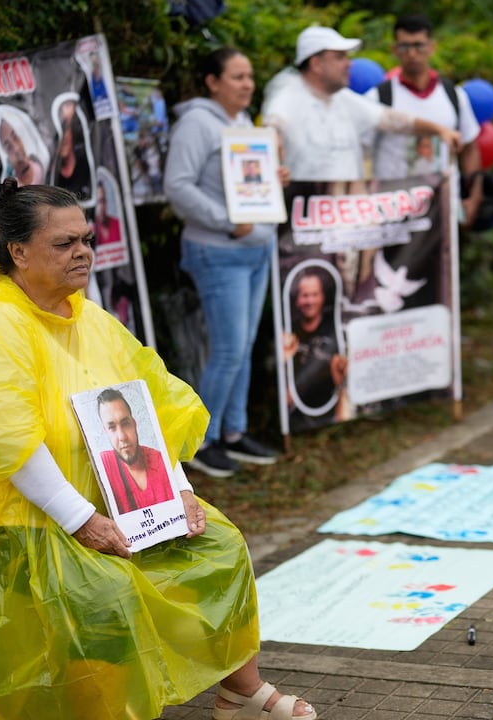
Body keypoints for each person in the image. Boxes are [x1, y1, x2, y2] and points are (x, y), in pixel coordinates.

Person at [0, 179, 317, 720]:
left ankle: (241, 691)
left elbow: (145, 406)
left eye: (86, 240)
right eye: (64, 243)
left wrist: (180, 491)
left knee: (218, 548)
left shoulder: (87, 315)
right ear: (18, 251)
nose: (83, 253)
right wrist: (81, 520)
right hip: (26, 520)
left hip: (117, 499)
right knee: (104, 598)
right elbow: (6, 439)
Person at [166, 47, 284, 477]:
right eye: (236, 76)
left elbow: (240, 182)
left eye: (249, 76)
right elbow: (177, 185)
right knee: (230, 348)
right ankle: (202, 441)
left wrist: (272, 178)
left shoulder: (241, 124)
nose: (247, 84)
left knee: (244, 346)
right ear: (212, 82)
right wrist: (226, 223)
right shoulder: (198, 123)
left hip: (255, 250)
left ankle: (234, 432)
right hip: (219, 251)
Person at [262, 24, 463, 184]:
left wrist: (438, 130)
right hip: (304, 222)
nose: (349, 64)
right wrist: (273, 154)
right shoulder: (286, 99)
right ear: (316, 64)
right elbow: (270, 133)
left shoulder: (344, 99)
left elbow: (392, 119)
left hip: (345, 216)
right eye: (340, 57)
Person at [366, 13, 483, 223]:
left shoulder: (453, 95)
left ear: (431, 47)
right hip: (393, 211)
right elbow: (362, 151)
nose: (412, 54)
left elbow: (470, 146)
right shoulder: (379, 97)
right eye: (404, 47)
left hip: (443, 210)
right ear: (394, 50)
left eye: (419, 46)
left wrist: (474, 194)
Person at [281, 268, 348, 421]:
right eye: (305, 295)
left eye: (315, 294)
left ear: (323, 297)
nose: (310, 301)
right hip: (295, 416)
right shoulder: (287, 332)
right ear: (297, 300)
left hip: (331, 413)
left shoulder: (336, 329)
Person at [96, 387, 175, 513]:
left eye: (125, 423)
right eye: (112, 428)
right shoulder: (102, 465)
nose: (122, 437)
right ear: (106, 432)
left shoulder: (159, 460)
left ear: (134, 424)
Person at [49, 100, 93, 201]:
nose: (62, 151)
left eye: (58, 164)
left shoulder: (44, 124)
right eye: (64, 161)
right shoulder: (86, 118)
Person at [0, 108, 47, 186]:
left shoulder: (43, 167)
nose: (16, 148)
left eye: (15, 137)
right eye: (8, 147)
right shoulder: (10, 190)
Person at [93, 180, 122, 246]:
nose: (102, 207)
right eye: (99, 202)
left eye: (103, 201)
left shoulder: (117, 224)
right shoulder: (91, 229)